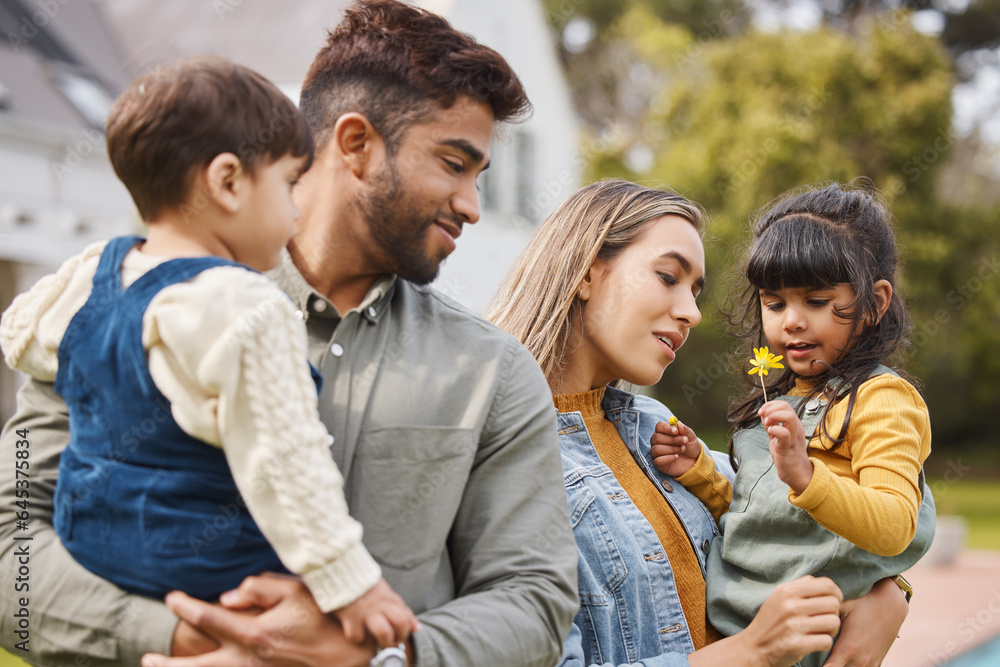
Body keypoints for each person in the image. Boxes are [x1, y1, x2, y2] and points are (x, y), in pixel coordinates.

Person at [0, 2, 578, 666]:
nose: (473, 206)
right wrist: (181, 636)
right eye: (454, 164)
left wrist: (375, 657)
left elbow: (535, 601)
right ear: (356, 144)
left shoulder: (495, 373)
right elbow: (9, 549)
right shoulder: (111, 312)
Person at [0, 56, 420, 649]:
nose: (297, 210)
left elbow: (20, 332)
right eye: (287, 183)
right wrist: (352, 584)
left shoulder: (90, 276)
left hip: (95, 554)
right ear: (227, 182)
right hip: (212, 574)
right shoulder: (242, 303)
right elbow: (284, 457)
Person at [485, 179, 936, 667]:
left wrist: (888, 594)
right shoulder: (501, 463)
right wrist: (753, 651)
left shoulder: (657, 433)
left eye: (696, 290)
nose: (692, 313)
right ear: (587, 272)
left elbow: (791, 521)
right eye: (668, 277)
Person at [648, 181, 932, 667]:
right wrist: (701, 474)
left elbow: (894, 526)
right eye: (775, 303)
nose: (791, 322)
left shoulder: (881, 399)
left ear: (875, 303)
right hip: (740, 640)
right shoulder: (781, 398)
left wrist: (806, 474)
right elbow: (764, 520)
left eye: (816, 301)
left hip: (811, 644)